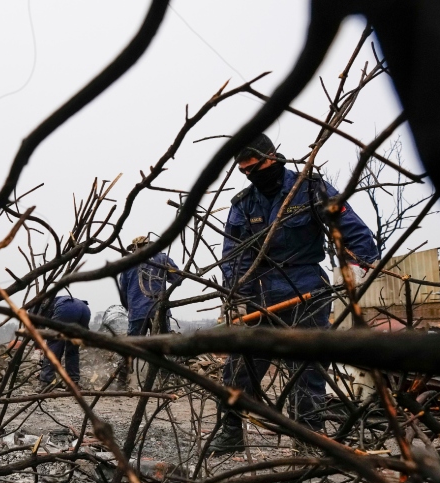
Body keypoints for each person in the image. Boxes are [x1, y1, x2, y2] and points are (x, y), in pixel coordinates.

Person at [211, 134, 380, 454]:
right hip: (261, 294)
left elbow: (347, 223)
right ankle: (231, 431)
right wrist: (237, 299)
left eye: (255, 166)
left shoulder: (310, 188)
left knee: (308, 368)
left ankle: (309, 440)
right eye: (243, 170)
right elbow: (235, 257)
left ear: (272, 157)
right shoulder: (244, 204)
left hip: (307, 289)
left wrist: (362, 260)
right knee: (241, 364)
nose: (251, 174)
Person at [116, 236, 182, 386]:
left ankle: (121, 382)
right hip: (159, 309)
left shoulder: (128, 262)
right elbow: (178, 279)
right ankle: (167, 382)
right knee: (164, 345)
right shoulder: (162, 259)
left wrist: (131, 308)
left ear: (134, 248)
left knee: (130, 346)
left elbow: (123, 292)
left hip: (137, 312)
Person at [39, 295, 91, 388]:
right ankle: (73, 381)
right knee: (73, 349)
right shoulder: (51, 301)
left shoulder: (40, 307)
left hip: (66, 308)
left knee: (53, 344)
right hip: (85, 309)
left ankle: (46, 381)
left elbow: (41, 327)